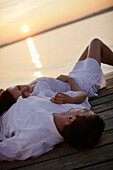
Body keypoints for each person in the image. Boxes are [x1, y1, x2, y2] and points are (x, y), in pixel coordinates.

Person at [0, 38, 112, 160]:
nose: (83, 108)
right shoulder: (67, 108)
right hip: (3, 107)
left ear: (70, 119)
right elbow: (81, 94)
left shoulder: (34, 138)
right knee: (94, 48)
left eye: (84, 111)